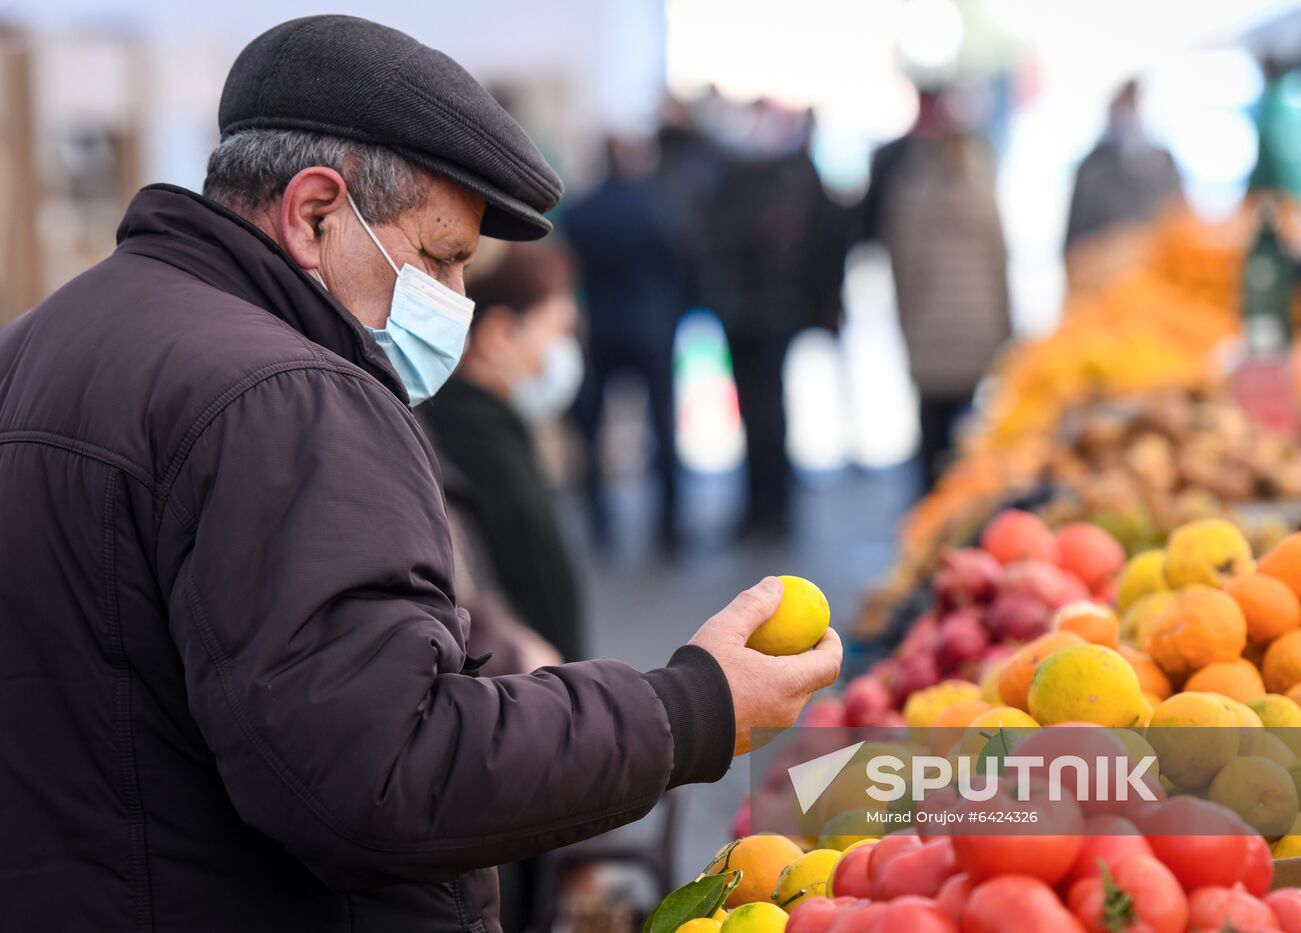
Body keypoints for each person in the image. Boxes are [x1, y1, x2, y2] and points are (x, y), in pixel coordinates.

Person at [0, 16, 841, 932]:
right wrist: (693, 706)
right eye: (440, 256)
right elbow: (384, 771)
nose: (458, 299)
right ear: (317, 214)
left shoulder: (42, 344)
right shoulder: (287, 395)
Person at [420, 243, 585, 665]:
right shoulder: (482, 448)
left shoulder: (486, 426)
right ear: (498, 335)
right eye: (556, 333)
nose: (563, 354)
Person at [698, 99, 844, 537]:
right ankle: (771, 505)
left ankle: (767, 506)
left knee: (761, 408)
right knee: (768, 407)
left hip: (753, 312)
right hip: (769, 311)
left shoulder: (732, 178)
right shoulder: (791, 177)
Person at [864, 86, 1012, 491]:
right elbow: (1000, 261)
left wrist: (906, 323)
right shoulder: (981, 193)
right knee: (970, 428)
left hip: (929, 325)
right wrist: (1004, 326)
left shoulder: (912, 195)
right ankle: (960, 494)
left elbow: (903, 266)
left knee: (931, 426)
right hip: (978, 325)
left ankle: (932, 501)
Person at [563, 138, 688, 554]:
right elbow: (676, 262)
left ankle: (602, 523)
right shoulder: (653, 206)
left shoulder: (582, 211)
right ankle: (669, 526)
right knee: (662, 425)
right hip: (649, 327)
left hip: (600, 329)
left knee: (592, 429)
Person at [1064, 80, 1182, 253]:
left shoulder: (1166, 165)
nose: (1126, 117)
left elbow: (1177, 223)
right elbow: (1074, 243)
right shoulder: (1094, 167)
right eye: (1121, 109)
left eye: (1130, 108)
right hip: (1100, 268)